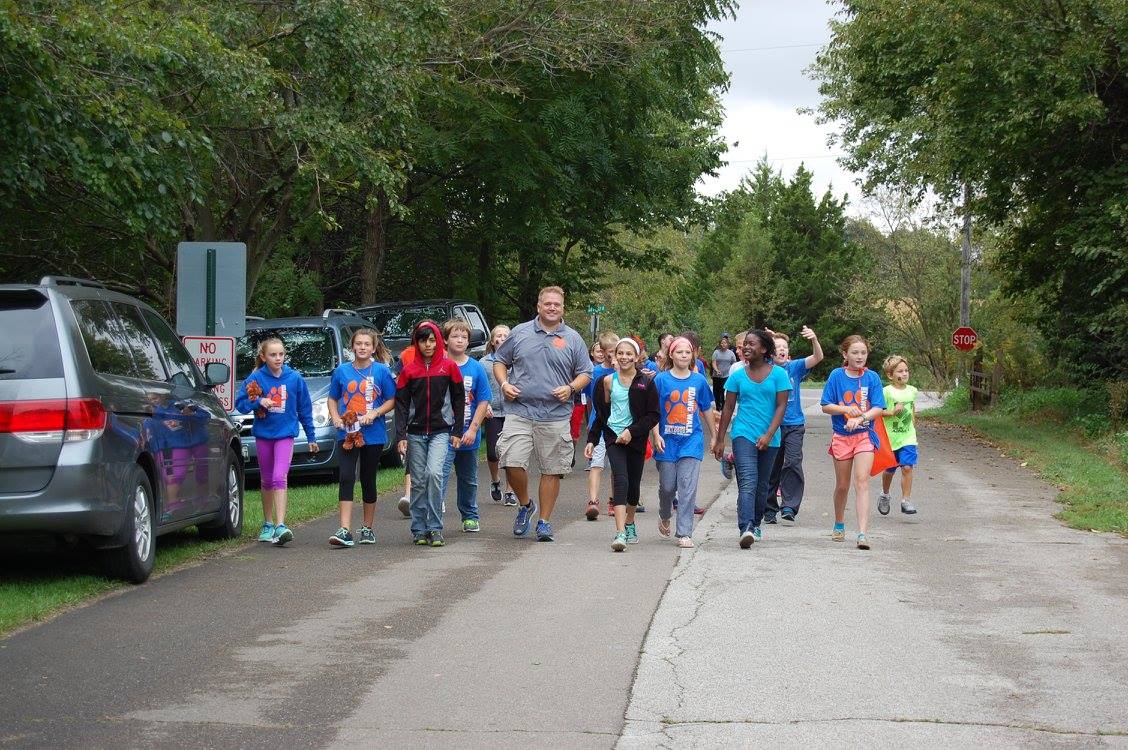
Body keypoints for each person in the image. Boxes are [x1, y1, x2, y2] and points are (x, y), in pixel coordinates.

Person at [492, 286, 592, 542]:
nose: (552, 308)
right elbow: (500, 361)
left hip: (556, 414)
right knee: (510, 460)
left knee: (551, 469)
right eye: (547, 304)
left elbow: (585, 373)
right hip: (520, 410)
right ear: (538, 306)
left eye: (556, 304)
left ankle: (545, 522)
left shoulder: (573, 338)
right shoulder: (520, 333)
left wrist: (570, 387)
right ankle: (526, 505)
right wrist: (504, 384)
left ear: (562, 308)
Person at [234, 337, 318, 546]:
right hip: (263, 435)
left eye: (281, 354)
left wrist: (311, 437)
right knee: (267, 479)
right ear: (263, 357)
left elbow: (305, 409)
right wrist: (259, 401)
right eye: (273, 355)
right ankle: (268, 523)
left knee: (280, 476)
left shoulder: (294, 378)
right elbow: (241, 403)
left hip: (285, 435)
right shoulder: (256, 378)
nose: (278, 358)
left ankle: (281, 525)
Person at [712, 330, 790, 549]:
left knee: (762, 485)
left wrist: (768, 435)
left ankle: (755, 524)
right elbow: (727, 408)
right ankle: (745, 527)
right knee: (748, 481)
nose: (745, 347)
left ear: (764, 349)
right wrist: (720, 439)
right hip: (743, 433)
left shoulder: (779, 375)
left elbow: (781, 406)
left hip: (770, 437)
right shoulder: (737, 375)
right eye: (744, 344)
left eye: (751, 344)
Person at [395, 321, 465, 548]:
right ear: (416, 342)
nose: (428, 344)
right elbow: (402, 405)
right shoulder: (409, 370)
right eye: (423, 340)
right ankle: (418, 528)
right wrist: (401, 436)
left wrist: (457, 430)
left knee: (434, 474)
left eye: (432, 340)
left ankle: (435, 527)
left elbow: (458, 399)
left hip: (440, 431)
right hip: (415, 433)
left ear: (438, 341)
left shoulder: (449, 367)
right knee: (418, 481)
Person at [586, 338, 659, 551]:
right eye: (620, 353)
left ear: (636, 358)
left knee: (633, 487)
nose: (624, 357)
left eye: (629, 354)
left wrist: (632, 432)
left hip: (635, 439)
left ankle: (629, 522)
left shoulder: (645, 382)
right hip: (613, 437)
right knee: (621, 480)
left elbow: (653, 415)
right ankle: (619, 533)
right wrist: (592, 439)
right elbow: (601, 414)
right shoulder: (607, 382)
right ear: (614, 356)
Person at [326, 329, 396, 547]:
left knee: (368, 479)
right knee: (346, 476)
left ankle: (367, 527)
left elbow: (392, 400)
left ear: (374, 348)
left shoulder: (382, 371)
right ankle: (344, 529)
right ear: (352, 347)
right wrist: (336, 418)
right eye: (359, 344)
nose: (363, 347)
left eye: (367, 344)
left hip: (372, 435)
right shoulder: (342, 371)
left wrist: (374, 413)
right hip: (347, 433)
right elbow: (332, 398)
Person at [820, 334, 887, 550]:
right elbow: (825, 405)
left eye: (863, 353)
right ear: (845, 354)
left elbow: (878, 407)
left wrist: (861, 418)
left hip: (865, 435)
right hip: (842, 437)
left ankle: (862, 534)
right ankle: (839, 523)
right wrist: (845, 409)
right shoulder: (837, 376)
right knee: (842, 485)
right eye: (855, 353)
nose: (860, 357)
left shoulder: (873, 377)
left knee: (862, 481)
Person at [652, 336, 716, 548]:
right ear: (671, 355)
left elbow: (706, 408)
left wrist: (715, 435)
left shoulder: (698, 381)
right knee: (668, 487)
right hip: (666, 442)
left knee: (687, 486)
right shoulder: (661, 380)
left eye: (687, 353)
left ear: (693, 356)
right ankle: (664, 514)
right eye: (679, 352)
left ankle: (684, 533)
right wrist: (655, 434)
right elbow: (652, 411)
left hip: (691, 441)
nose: (684, 356)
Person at [763, 326, 824, 524]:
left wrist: (814, 339)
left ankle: (789, 506)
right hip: (771, 426)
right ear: (770, 350)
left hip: (794, 424)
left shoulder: (795, 367)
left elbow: (817, 358)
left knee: (792, 462)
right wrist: (767, 340)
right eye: (777, 346)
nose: (782, 350)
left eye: (785, 347)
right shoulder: (765, 367)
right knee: (771, 467)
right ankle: (769, 508)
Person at [439, 318, 491, 533]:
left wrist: (472, 429)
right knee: (439, 475)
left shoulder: (476, 368)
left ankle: (469, 515)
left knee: (468, 479)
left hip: (469, 433)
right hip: (443, 433)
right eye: (455, 336)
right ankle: (433, 517)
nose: (459, 340)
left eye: (464, 337)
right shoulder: (439, 366)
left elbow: (483, 400)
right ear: (445, 340)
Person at [585, 330, 620, 520]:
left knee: (616, 465)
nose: (614, 355)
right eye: (611, 351)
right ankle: (592, 501)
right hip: (598, 423)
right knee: (596, 464)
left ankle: (614, 500)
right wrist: (590, 421)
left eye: (617, 351)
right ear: (603, 351)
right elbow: (591, 398)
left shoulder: (622, 371)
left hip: (618, 424)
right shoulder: (596, 372)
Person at [878, 354, 919, 515]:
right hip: (890, 438)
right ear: (890, 375)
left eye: (906, 370)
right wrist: (892, 412)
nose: (904, 374)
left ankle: (906, 500)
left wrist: (914, 431)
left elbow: (912, 411)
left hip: (908, 437)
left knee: (907, 467)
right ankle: (885, 494)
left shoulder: (912, 391)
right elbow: (879, 412)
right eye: (900, 371)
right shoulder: (886, 392)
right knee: (889, 470)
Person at [482, 325, 517, 506]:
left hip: (513, 411)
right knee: (493, 452)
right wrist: (485, 404)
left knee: (511, 453)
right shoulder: (484, 363)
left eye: (506, 335)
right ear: (492, 341)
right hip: (492, 411)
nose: (502, 338)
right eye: (499, 335)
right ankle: (495, 480)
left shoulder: (517, 360)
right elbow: (480, 387)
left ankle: (510, 491)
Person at [710, 333, 736, 411]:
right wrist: (716, 370)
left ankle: (724, 406)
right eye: (722, 343)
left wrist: (731, 370)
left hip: (726, 375)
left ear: (727, 344)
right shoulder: (716, 352)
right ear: (720, 344)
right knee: (717, 391)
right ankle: (718, 406)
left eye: (725, 343)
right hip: (717, 375)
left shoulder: (731, 353)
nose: (723, 344)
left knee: (723, 391)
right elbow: (713, 362)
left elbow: (734, 362)